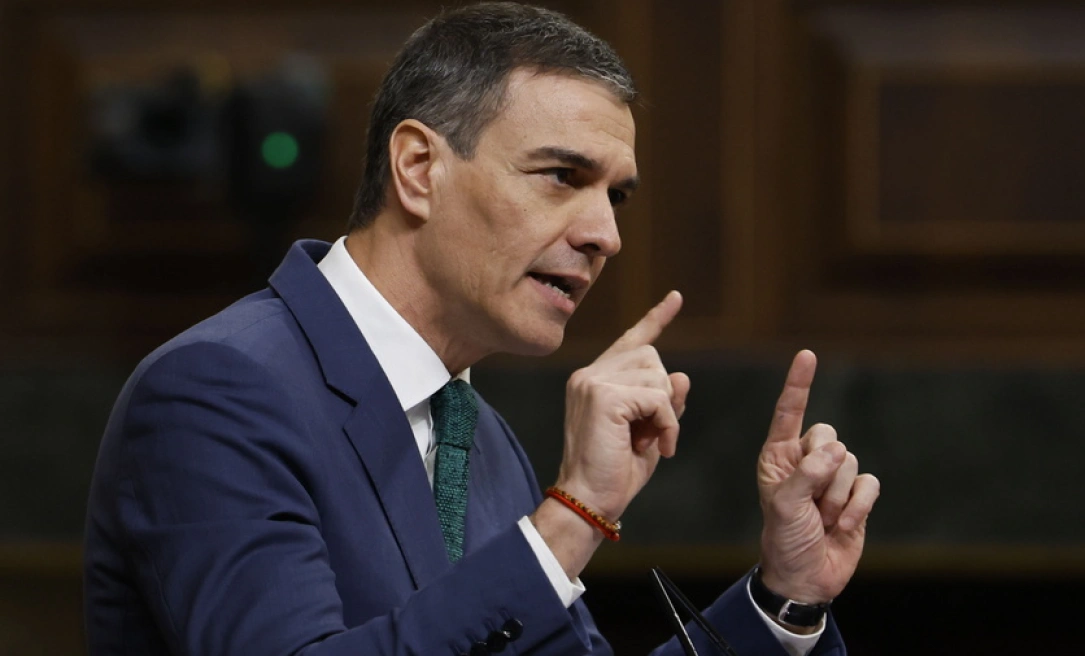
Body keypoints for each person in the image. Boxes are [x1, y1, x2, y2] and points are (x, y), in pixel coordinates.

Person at [84, 3, 879, 654]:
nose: (606, 235)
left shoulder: (478, 437)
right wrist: (571, 517)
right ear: (418, 169)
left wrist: (785, 601)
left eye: (615, 196)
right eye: (562, 176)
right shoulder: (217, 390)